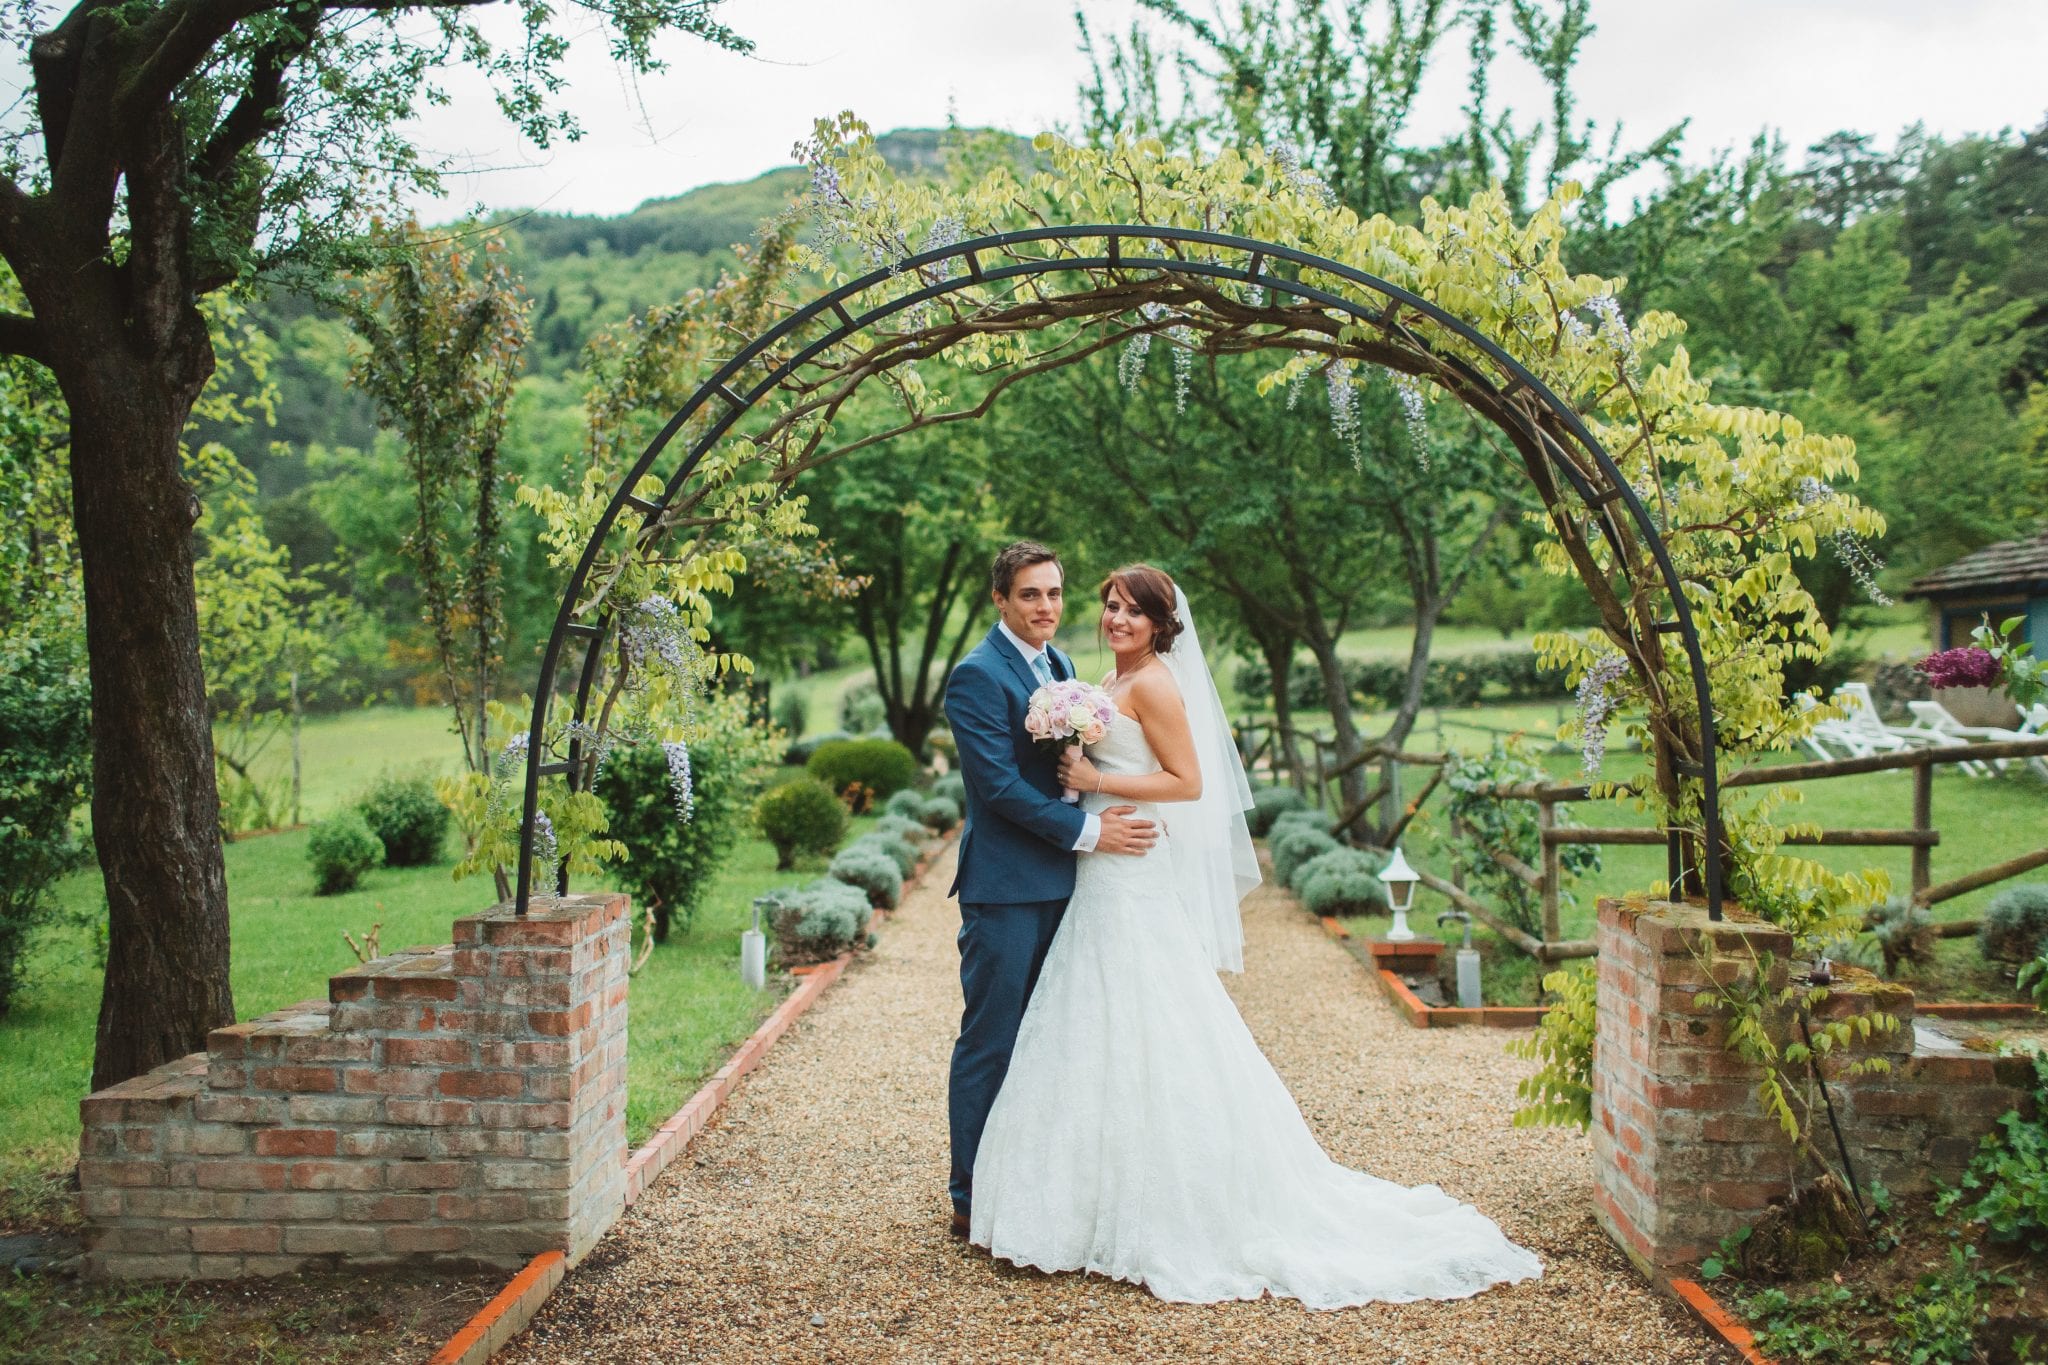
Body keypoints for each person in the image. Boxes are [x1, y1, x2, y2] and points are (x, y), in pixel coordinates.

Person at [966, 563, 1543, 1307]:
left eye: (1133, 611)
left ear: (1161, 623)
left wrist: (1095, 782)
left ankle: (1169, 1201)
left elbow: (1188, 781)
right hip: (1102, 871)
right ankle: (1081, 1195)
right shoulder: (1095, 684)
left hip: (1130, 865)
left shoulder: (1156, 684)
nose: (1116, 618)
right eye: (1110, 605)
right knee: (1095, 1020)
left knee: (1154, 1017)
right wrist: (1077, 783)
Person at [941, 541, 1158, 1241]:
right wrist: (1091, 833)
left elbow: (1066, 766)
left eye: (1056, 593)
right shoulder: (976, 675)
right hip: (1005, 888)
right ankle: (971, 1194)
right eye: (1031, 594)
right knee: (994, 1039)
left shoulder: (1060, 668)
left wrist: (1091, 794)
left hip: (1066, 884)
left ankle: (1033, 1185)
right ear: (1000, 599)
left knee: (1051, 1043)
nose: (1047, 607)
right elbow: (999, 789)